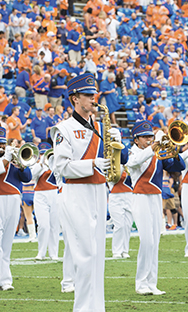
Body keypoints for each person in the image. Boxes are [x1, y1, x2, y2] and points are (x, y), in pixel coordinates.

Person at [50, 73, 121, 311]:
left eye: (94, 94)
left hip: (99, 192)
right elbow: (60, 166)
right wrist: (91, 164)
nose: (93, 98)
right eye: (88, 95)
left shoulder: (102, 127)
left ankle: (96, 307)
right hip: (76, 193)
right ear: (74, 99)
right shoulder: (63, 129)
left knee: (98, 255)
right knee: (84, 255)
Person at [125, 119, 185, 295]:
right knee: (147, 241)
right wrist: (154, 147)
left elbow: (179, 166)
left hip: (155, 198)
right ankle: (140, 282)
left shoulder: (157, 153)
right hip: (140, 197)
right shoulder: (133, 152)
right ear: (136, 139)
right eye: (145, 137)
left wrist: (173, 151)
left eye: (150, 136)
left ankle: (152, 283)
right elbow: (134, 162)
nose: (149, 139)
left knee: (155, 241)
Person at [0, 126, 33, 291]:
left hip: (13, 199)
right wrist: (7, 159)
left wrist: (21, 165)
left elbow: (27, 177)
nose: (1, 146)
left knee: (6, 242)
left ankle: (5, 280)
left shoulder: (11, 156)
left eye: (3, 143)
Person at [30, 143, 61, 260]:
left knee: (54, 225)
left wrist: (52, 163)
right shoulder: (37, 165)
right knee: (43, 225)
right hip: (40, 195)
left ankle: (54, 253)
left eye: (46, 153)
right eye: (42, 153)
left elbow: (60, 174)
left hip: (55, 194)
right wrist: (41, 164)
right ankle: (41, 252)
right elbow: (31, 176)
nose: (44, 155)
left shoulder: (56, 165)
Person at [109, 166, 133, 259]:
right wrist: (122, 166)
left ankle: (124, 250)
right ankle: (116, 251)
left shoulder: (129, 164)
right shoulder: (112, 164)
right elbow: (113, 180)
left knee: (128, 225)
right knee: (119, 225)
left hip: (130, 195)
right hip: (116, 196)